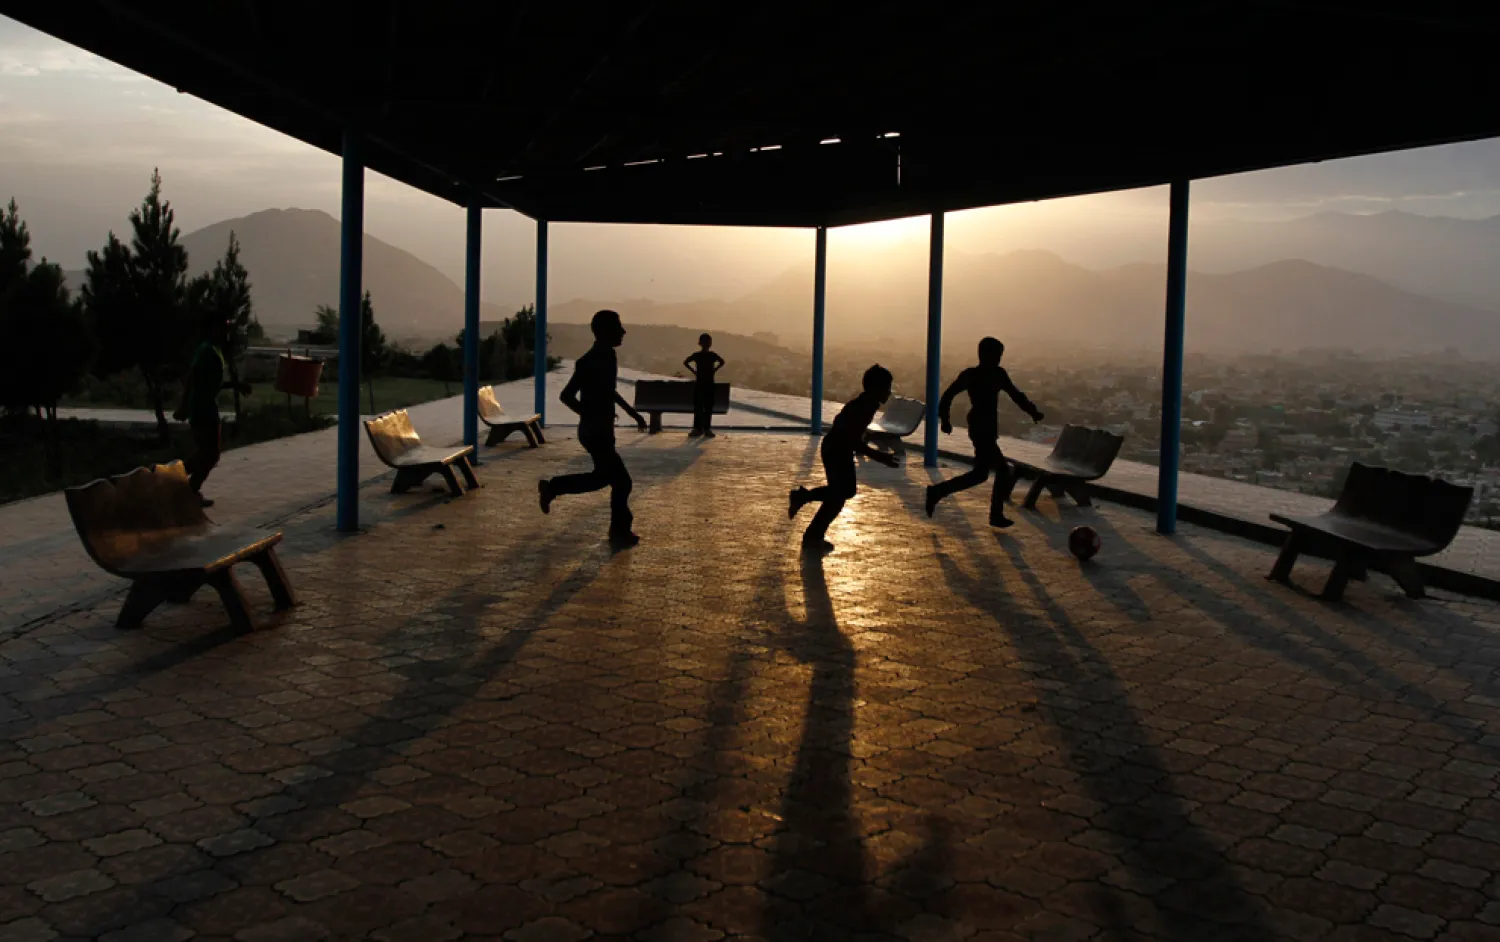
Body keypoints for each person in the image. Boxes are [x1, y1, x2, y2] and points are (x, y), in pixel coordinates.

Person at [538, 309, 648, 547]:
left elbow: (597, 392)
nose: (623, 331)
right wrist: (592, 415)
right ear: (607, 331)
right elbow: (571, 395)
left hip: (594, 431)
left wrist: (628, 413)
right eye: (618, 327)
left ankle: (553, 487)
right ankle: (619, 531)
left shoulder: (597, 357)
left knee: (602, 478)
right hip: (596, 433)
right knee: (622, 482)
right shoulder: (600, 358)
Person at [924, 337, 1044, 529]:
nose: (998, 359)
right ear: (986, 355)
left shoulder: (982, 374)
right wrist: (945, 420)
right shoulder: (988, 375)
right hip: (982, 428)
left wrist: (1032, 411)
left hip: (983, 427)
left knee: (980, 474)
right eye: (997, 355)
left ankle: (938, 491)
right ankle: (994, 515)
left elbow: (947, 397)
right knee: (1002, 471)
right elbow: (1016, 396)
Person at [789, 365, 901, 553]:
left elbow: (848, 432)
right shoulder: (865, 406)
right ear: (875, 388)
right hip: (837, 450)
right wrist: (878, 456)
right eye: (886, 388)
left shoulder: (866, 403)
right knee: (840, 494)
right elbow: (852, 438)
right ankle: (808, 517)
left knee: (841, 493)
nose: (889, 393)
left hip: (837, 448)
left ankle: (810, 525)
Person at [173, 315, 250, 507]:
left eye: (227, 328)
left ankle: (184, 486)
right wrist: (183, 405)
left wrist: (236, 385)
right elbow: (193, 377)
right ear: (211, 329)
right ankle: (178, 482)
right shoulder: (206, 350)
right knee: (209, 453)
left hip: (208, 406)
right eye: (222, 328)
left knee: (209, 453)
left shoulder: (215, 350)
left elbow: (212, 381)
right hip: (200, 407)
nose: (226, 332)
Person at [683, 333, 725, 437]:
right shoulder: (712, 355)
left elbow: (686, 362)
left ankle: (697, 428)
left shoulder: (697, 355)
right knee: (707, 407)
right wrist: (714, 370)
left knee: (699, 407)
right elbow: (722, 362)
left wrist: (695, 372)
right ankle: (707, 428)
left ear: (699, 343)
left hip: (699, 384)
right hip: (709, 384)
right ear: (710, 343)